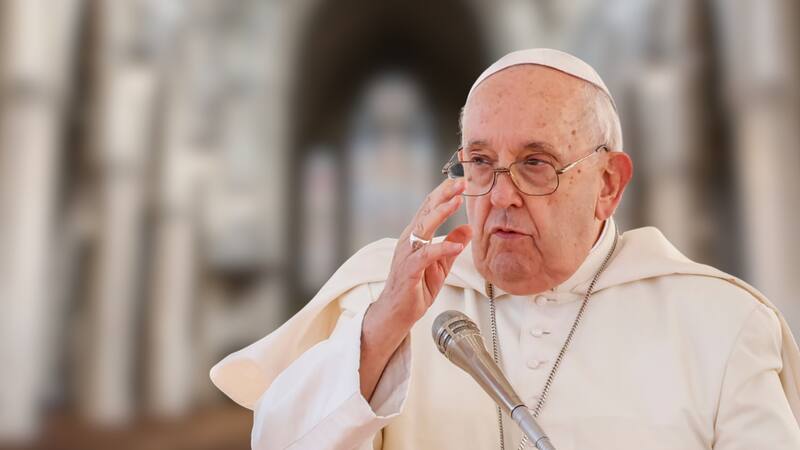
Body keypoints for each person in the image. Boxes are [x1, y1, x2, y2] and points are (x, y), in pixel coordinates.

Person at [210, 48, 800, 450]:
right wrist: (380, 330)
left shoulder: (722, 326)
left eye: (536, 163)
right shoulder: (384, 301)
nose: (501, 195)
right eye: (480, 163)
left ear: (608, 185)